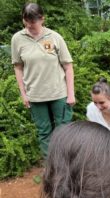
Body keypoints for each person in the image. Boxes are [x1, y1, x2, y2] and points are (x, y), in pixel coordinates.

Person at [11, 3, 75, 157]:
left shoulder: (55, 37)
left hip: (59, 93)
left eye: (33, 21)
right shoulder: (17, 39)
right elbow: (18, 67)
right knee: (44, 132)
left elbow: (68, 66)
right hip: (35, 96)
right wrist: (23, 94)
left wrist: (71, 93)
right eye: (26, 21)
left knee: (64, 130)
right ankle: (51, 166)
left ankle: (67, 162)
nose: (29, 25)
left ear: (42, 19)